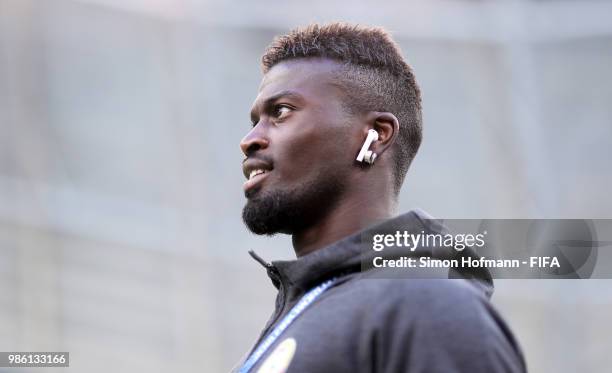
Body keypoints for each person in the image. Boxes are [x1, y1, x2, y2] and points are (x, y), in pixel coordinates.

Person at [235, 23, 526, 373]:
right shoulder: (302, 315)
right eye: (255, 120)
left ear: (375, 136)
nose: (250, 139)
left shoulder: (426, 306)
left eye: (280, 112)